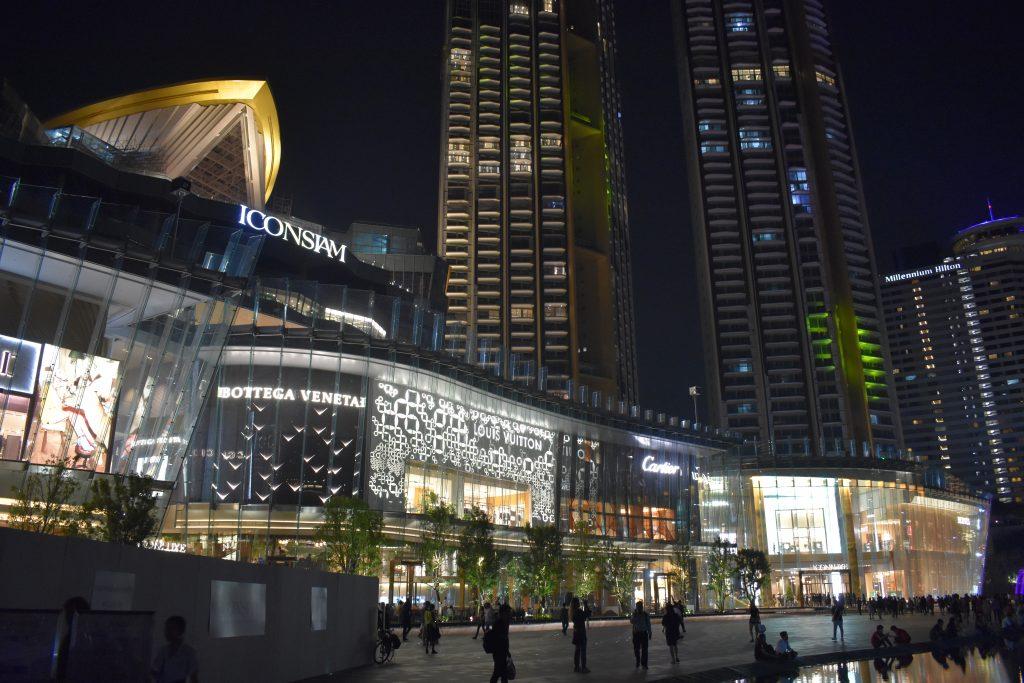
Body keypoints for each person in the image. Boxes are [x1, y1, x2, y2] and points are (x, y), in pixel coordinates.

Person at [151, 615, 199, 683]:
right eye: (166, 629)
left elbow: (193, 677)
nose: (167, 632)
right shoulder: (163, 651)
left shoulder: (189, 653)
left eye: (171, 628)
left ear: (180, 631)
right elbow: (154, 671)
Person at [488, 604, 512, 683]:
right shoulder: (499, 623)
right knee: (498, 673)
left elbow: (505, 639)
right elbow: (500, 639)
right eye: (508, 612)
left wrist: (507, 651)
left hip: (502, 652)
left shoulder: (505, 622)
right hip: (499, 653)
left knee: (501, 674)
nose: (509, 614)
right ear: (503, 613)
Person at [570, 596, 591, 673]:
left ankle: (576, 667)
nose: (579, 603)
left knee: (577, 650)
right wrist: (585, 605)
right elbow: (587, 614)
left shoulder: (573, 611)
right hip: (581, 632)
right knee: (583, 650)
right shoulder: (578, 611)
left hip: (576, 632)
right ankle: (583, 667)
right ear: (576, 603)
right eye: (578, 602)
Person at [630, 601, 652, 670]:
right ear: (636, 607)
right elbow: (631, 621)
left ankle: (644, 664)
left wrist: (650, 632)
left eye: (640, 606)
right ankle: (638, 660)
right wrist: (634, 615)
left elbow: (648, 624)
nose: (639, 608)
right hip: (636, 634)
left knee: (645, 650)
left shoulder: (645, 614)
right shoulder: (634, 614)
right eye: (638, 606)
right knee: (636, 649)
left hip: (644, 633)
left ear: (642, 607)